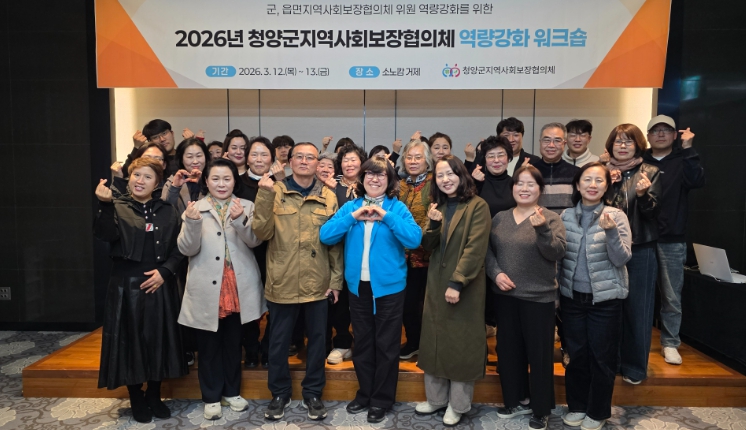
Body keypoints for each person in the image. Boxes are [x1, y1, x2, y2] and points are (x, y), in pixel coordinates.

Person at [320, 157, 421, 423]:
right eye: (369, 175)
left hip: (389, 288)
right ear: (362, 179)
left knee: (387, 345)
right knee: (363, 343)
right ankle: (365, 393)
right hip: (358, 287)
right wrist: (353, 217)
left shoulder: (397, 208)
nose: (374, 179)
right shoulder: (351, 207)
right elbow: (326, 235)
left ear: (389, 181)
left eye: (381, 175)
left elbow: (414, 239)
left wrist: (386, 216)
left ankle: (382, 399)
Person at [253, 142, 344, 421]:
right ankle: (279, 394)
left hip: (318, 281)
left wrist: (336, 281)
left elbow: (335, 243)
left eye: (310, 157)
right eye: (299, 157)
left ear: (318, 163)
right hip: (283, 280)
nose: (304, 161)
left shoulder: (328, 196)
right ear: (289, 162)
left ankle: (313, 393)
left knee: (318, 342)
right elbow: (261, 232)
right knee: (278, 343)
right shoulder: (274, 191)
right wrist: (264, 195)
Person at [94, 157, 187, 424]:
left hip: (159, 284)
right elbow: (104, 235)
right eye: (136, 175)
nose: (140, 181)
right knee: (129, 342)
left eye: (147, 177)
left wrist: (164, 272)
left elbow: (180, 248)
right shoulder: (116, 205)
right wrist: (104, 205)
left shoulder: (167, 210)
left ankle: (155, 395)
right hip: (125, 286)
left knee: (159, 340)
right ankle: (136, 396)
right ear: (129, 178)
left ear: (157, 183)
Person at [177, 158, 265, 420]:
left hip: (238, 284)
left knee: (233, 342)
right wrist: (193, 223)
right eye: (215, 178)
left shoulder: (246, 206)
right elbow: (186, 249)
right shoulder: (194, 208)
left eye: (227, 178)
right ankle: (211, 396)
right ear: (206, 181)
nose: (221, 184)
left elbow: (255, 241)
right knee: (209, 345)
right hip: (207, 285)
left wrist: (240, 220)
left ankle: (232, 392)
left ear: (234, 181)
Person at [486, 165, 566, 430]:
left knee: (539, 356)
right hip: (505, 296)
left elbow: (556, 253)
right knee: (509, 352)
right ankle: (516, 400)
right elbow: (487, 251)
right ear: (512, 188)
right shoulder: (500, 218)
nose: (524, 188)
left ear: (540, 190)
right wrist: (496, 273)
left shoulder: (551, 218)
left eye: (530, 184)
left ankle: (541, 409)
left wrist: (542, 229)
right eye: (519, 183)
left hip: (538, 298)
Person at [415, 156, 491, 426]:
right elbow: (427, 245)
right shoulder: (437, 206)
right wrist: (433, 224)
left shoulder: (477, 205)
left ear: (461, 175)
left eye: (450, 173)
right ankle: (435, 399)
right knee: (434, 339)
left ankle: (458, 405)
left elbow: (475, 248)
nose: (445, 179)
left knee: (461, 344)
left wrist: (457, 282)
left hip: (464, 285)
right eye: (440, 175)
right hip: (436, 283)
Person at [559, 162, 632, 430]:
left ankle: (598, 412)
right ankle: (577, 406)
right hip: (572, 299)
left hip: (605, 300)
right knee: (576, 355)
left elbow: (622, 258)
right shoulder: (566, 215)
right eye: (587, 180)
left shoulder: (617, 215)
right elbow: (559, 256)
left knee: (602, 358)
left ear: (606, 186)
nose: (592, 185)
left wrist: (611, 231)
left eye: (599, 180)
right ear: (577, 185)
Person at [642, 115, 705, 365]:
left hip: (672, 238)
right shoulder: (639, 160)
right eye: (655, 130)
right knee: (639, 295)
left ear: (674, 135)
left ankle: (670, 343)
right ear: (648, 136)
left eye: (666, 130)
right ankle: (637, 343)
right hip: (641, 238)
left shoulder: (683, 158)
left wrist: (689, 148)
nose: (660, 134)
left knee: (671, 297)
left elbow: (697, 181)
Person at [605, 124, 661, 384]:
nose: (623, 146)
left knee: (638, 309)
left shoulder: (650, 172)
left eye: (628, 142)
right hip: (609, 247)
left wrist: (642, 195)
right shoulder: (603, 172)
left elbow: (654, 213)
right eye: (618, 141)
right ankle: (612, 363)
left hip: (640, 247)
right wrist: (608, 184)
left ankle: (635, 367)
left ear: (638, 145)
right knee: (611, 309)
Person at [323, 143, 368, 364]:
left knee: (362, 299)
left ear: (362, 162)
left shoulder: (370, 185)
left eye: (353, 159)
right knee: (338, 301)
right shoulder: (331, 185)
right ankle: (341, 342)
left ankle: (364, 344)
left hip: (363, 251)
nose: (349, 164)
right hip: (335, 251)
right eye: (345, 160)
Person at [470, 135, 516, 337]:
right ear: (484, 159)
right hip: (480, 248)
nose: (496, 160)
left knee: (505, 299)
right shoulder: (474, 183)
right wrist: (474, 184)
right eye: (491, 156)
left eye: (501, 155)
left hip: (509, 249)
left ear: (509, 158)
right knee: (482, 297)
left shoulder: (516, 184)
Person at [237, 135, 275, 368]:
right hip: (244, 252)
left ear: (272, 159)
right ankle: (251, 349)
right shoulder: (236, 183)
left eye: (264, 154)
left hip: (274, 252)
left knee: (275, 303)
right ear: (247, 158)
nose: (259, 159)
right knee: (248, 301)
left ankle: (269, 347)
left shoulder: (280, 184)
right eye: (254, 154)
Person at [397, 138, 435, 360]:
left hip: (428, 255)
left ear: (427, 161)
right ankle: (414, 342)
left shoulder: (434, 184)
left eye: (418, 157)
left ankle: (428, 346)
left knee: (426, 306)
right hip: (402, 257)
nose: (413, 161)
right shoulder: (399, 185)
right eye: (409, 157)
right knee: (407, 305)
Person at [533, 122, 581, 214]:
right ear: (540, 142)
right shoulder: (530, 172)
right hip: (535, 222)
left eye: (557, 140)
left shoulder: (576, 173)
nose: (551, 145)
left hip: (566, 223)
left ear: (564, 143)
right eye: (546, 140)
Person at [162, 138, 210, 214]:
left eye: (199, 156)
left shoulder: (214, 180)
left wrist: (204, 183)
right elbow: (165, 211)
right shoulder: (172, 181)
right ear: (181, 159)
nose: (195, 161)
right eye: (189, 157)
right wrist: (175, 188)